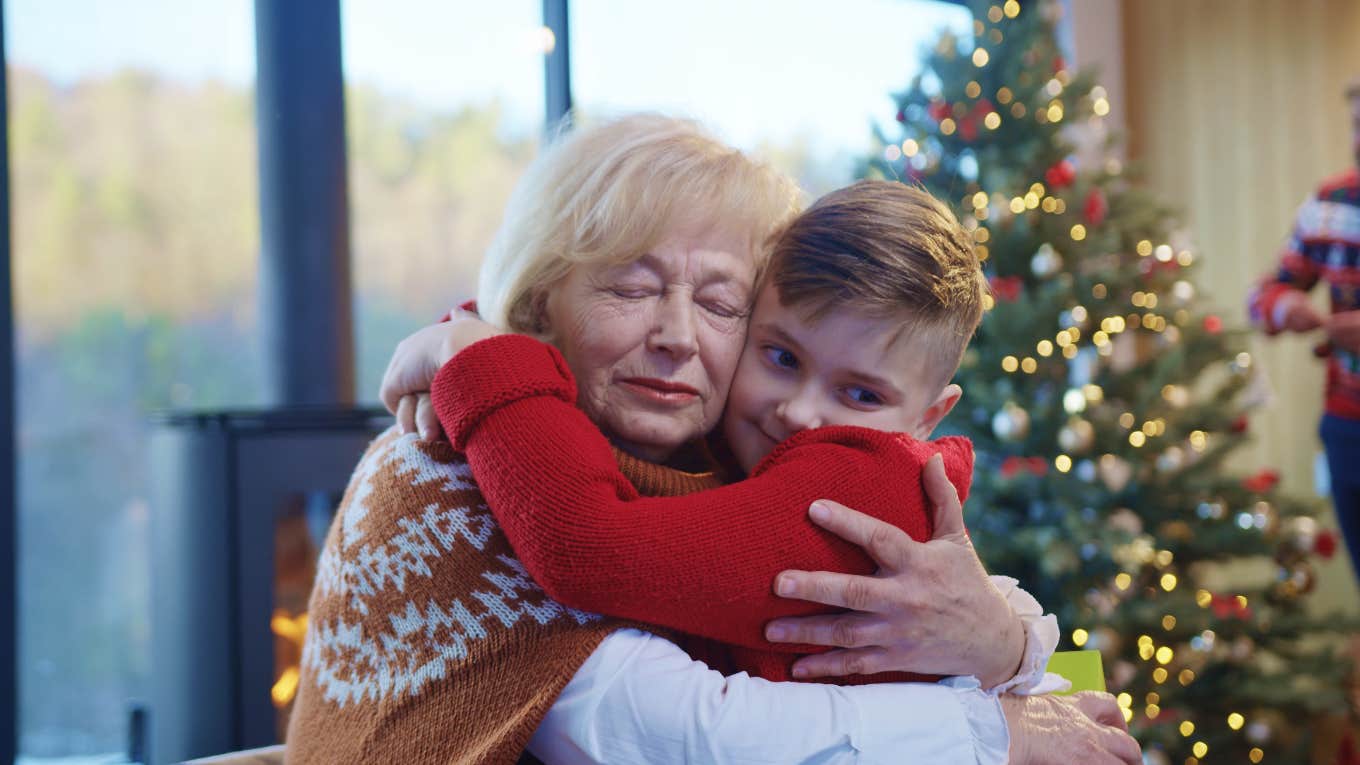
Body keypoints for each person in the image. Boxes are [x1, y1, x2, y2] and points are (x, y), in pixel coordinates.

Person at [289, 114, 1138, 764]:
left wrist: (1006, 639)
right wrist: (994, 731)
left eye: (723, 304)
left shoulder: (719, 463)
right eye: (631, 285)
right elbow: (662, 729)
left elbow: (964, 619)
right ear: (541, 299)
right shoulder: (464, 463)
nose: (677, 336)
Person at [385, 180, 1054, 688]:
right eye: (782, 357)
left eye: (860, 393)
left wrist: (476, 357)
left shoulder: (858, 481)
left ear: (927, 418)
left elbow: (591, 549)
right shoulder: (729, 454)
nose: (798, 412)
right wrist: (482, 325)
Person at [1248, 77, 1360, 581]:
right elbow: (1263, 295)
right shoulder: (1332, 201)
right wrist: (1284, 306)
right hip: (1349, 428)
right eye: (1358, 126)